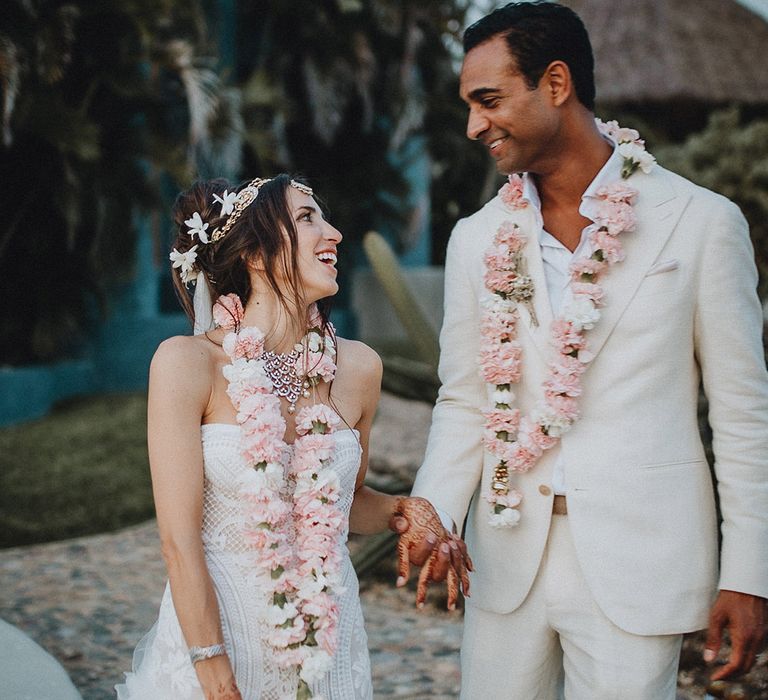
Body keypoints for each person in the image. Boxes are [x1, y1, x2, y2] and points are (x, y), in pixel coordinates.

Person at [404, 2, 768, 698]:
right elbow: (465, 399)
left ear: (557, 83)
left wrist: (748, 573)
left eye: (489, 100)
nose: (474, 125)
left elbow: (744, 416)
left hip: (641, 561)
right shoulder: (476, 240)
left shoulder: (700, 225)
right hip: (506, 563)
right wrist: (432, 516)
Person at [115, 174, 469, 700]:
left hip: (327, 643)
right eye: (307, 219)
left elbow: (338, 506)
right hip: (220, 640)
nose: (335, 234)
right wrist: (211, 668)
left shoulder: (359, 368)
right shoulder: (188, 364)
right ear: (256, 254)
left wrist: (404, 510)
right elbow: (179, 541)